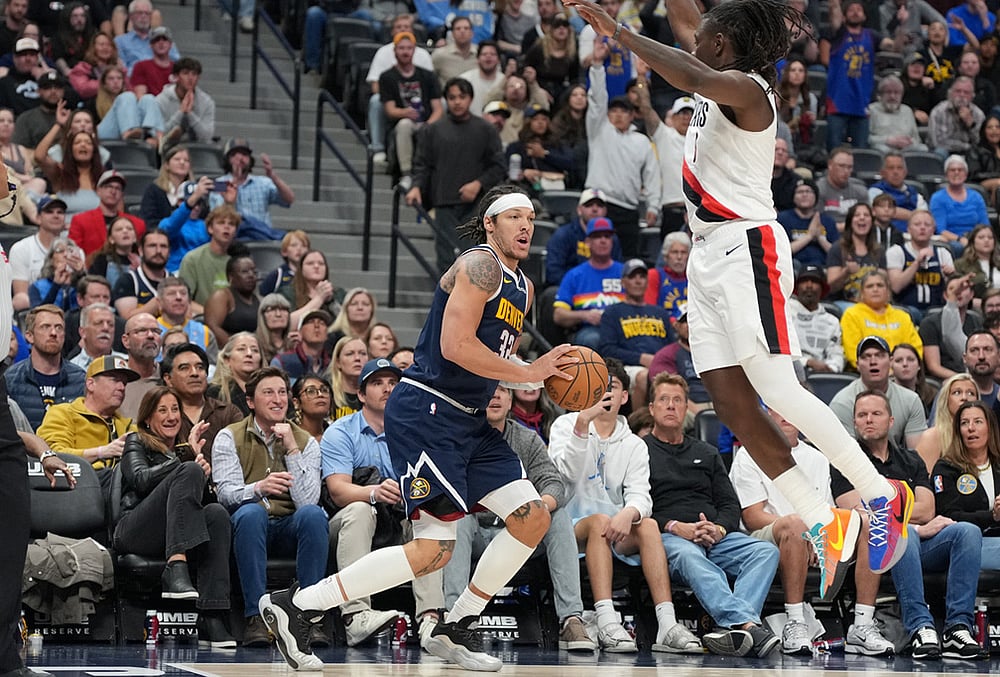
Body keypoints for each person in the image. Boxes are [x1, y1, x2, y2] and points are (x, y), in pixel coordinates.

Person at [565, 0, 913, 603]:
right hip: (706, 256)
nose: (693, 40)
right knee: (729, 402)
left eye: (704, 37)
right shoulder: (714, 73)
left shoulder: (749, 92)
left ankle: (879, 493)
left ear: (724, 45)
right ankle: (824, 519)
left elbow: (689, 69)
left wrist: (619, 32)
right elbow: (682, 26)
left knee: (778, 389)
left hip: (747, 244)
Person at [259, 185, 577, 672]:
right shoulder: (481, 265)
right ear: (490, 224)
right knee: (433, 550)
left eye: (530, 218)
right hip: (429, 412)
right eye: (513, 216)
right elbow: (455, 346)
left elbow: (495, 352)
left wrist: (536, 365)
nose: (525, 226)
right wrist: (532, 373)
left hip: (468, 421)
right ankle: (299, 605)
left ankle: (456, 626)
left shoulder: (524, 286)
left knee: (533, 515)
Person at [549, 363, 703, 654]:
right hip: (568, 526)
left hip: (613, 527)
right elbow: (563, 477)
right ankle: (607, 622)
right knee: (597, 523)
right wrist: (582, 426)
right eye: (599, 385)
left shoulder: (634, 444)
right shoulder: (565, 425)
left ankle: (667, 625)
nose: (606, 392)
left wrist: (628, 513)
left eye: (613, 386)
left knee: (647, 524)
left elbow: (641, 497)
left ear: (624, 397)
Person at [835, 390, 987, 660]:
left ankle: (957, 628)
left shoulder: (911, 459)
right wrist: (911, 525)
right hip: (873, 550)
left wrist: (898, 517)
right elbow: (857, 512)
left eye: (876, 414)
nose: (869, 419)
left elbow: (927, 509)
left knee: (967, 532)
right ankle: (921, 626)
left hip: (916, 546)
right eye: (862, 415)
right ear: (855, 423)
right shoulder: (845, 462)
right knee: (903, 531)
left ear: (891, 421)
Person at [730, 406, 892, 656]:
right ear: (766, 415)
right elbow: (752, 517)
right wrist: (806, 533)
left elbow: (825, 513)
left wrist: (816, 538)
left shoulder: (816, 458)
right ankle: (795, 623)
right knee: (794, 525)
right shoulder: (748, 454)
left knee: (867, 523)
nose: (785, 414)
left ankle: (862, 625)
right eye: (777, 408)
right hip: (763, 540)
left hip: (812, 536)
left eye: (788, 407)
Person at [639, 373, 781, 657]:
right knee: (690, 556)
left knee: (765, 552)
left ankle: (733, 630)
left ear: (686, 408)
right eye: (664, 400)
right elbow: (637, 503)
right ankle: (746, 624)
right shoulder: (639, 449)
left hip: (713, 536)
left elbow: (729, 504)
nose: (671, 406)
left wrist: (718, 529)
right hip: (667, 536)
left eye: (678, 400)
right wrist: (676, 526)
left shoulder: (706, 451)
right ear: (652, 408)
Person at [448, 383, 596, 652]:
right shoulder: (460, 438)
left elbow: (553, 483)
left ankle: (571, 619)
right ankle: (457, 619)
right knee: (456, 518)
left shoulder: (527, 440)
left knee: (557, 516)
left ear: (510, 399)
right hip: (478, 531)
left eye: (502, 390)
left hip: (519, 532)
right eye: (489, 390)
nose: (495, 395)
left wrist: (536, 507)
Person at [321, 358, 440, 648]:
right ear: (361, 394)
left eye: (393, 383)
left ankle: (431, 618)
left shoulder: (415, 432)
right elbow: (337, 491)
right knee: (361, 510)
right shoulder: (341, 431)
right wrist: (374, 492)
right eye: (377, 383)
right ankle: (356, 615)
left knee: (430, 516)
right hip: (346, 525)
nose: (387, 389)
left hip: (397, 519)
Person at [212, 366, 329, 649]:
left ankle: (309, 617)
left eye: (282, 393)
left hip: (290, 526)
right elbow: (226, 495)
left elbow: (308, 501)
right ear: (251, 402)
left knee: (314, 515)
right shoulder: (229, 436)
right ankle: (256, 617)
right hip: (250, 528)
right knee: (251, 513)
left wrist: (291, 448)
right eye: (268, 393)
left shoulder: (305, 442)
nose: (278, 400)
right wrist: (259, 488)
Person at [114, 386, 236, 647]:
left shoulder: (184, 453)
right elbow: (140, 480)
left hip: (172, 531)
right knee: (190, 469)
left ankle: (212, 615)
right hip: (135, 530)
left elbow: (200, 508)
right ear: (148, 418)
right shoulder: (136, 440)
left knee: (216, 513)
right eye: (162, 410)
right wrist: (184, 460)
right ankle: (175, 566)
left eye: (175, 409)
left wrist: (203, 479)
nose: (171, 416)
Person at [404, 77, 505, 276]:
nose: (457, 102)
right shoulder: (433, 130)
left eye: (462, 97)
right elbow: (422, 164)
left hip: (476, 205)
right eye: (452, 97)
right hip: (443, 204)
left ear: (470, 99)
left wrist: (478, 184)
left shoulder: (486, 130)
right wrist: (416, 186)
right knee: (446, 262)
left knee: (473, 261)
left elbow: (498, 167)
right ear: (446, 100)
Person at [584, 38, 659, 259]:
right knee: (594, 258)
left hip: (629, 208)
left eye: (623, 111)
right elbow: (597, 100)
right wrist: (597, 66)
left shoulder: (642, 141)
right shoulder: (600, 129)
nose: (617, 114)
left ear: (631, 115)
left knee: (629, 261)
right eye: (613, 111)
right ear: (608, 115)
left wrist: (653, 206)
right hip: (600, 203)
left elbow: (652, 175)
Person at [36, 355, 138, 486]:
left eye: (124, 383)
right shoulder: (63, 413)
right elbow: (54, 455)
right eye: (114, 380)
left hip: (120, 493)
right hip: (78, 488)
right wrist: (102, 452)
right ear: (91, 384)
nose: (122, 387)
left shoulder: (128, 426)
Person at [932, 400, 1000, 570]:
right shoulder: (946, 468)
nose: (971, 428)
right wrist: (993, 516)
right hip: (965, 545)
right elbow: (949, 516)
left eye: (978, 422)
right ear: (958, 431)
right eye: (964, 423)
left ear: (990, 428)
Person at [830, 335, 928, 449]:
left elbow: (917, 455)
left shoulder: (911, 400)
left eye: (879, 355)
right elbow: (845, 455)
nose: (873, 361)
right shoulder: (842, 403)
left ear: (890, 361)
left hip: (899, 465)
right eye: (866, 357)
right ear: (857, 365)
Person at [598, 258, 673, 405]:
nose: (638, 281)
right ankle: (640, 422)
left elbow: (672, 347)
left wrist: (660, 361)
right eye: (632, 277)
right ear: (623, 282)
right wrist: (641, 358)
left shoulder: (660, 313)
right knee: (643, 376)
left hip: (661, 364)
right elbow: (607, 349)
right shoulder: (613, 312)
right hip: (629, 367)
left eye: (642, 276)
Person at [4, 304, 86, 431]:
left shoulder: (80, 378)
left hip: (69, 449)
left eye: (59, 328)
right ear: (29, 336)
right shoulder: (10, 379)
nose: (53, 333)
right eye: (45, 327)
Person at [820, 0, 888, 149]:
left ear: (864, 16)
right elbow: (835, 13)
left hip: (861, 104)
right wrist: (835, 4)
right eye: (851, 10)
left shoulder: (872, 36)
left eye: (859, 9)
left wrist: (902, 26)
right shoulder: (839, 33)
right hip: (838, 102)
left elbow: (894, 46)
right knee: (834, 150)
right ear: (844, 16)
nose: (856, 12)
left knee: (861, 153)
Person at [160, 342, 243, 460]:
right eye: (184, 368)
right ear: (168, 379)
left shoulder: (228, 413)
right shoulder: (161, 416)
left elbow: (244, 454)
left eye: (200, 367)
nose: (194, 373)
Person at [553, 217, 625, 349]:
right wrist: (585, 315)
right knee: (592, 339)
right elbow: (559, 315)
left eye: (607, 236)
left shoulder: (626, 272)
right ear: (587, 242)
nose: (603, 240)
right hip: (591, 330)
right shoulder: (574, 275)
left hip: (625, 329)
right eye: (597, 236)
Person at [208, 137, 293, 239]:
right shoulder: (219, 184)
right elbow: (217, 219)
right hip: (233, 239)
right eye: (234, 154)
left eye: (244, 154)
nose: (240, 158)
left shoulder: (263, 182)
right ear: (228, 159)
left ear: (250, 159)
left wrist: (272, 176)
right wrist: (229, 203)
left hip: (262, 238)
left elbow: (289, 199)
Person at [840, 270, 923, 367]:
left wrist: (900, 369)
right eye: (870, 286)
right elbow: (853, 352)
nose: (875, 289)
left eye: (880, 285)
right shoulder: (852, 314)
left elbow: (915, 349)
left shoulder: (902, 316)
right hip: (868, 374)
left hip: (902, 373)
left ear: (888, 291)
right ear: (862, 292)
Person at [886, 210, 955, 318]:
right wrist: (917, 263)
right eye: (917, 224)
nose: (922, 228)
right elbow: (896, 286)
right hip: (906, 310)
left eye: (927, 224)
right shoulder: (896, 252)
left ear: (933, 230)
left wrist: (950, 277)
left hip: (937, 311)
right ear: (908, 229)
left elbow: (952, 292)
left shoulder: (943, 253)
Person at [9, 195, 72, 310]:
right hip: (34, 310)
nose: (56, 215)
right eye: (49, 211)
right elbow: (21, 296)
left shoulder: (74, 250)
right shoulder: (21, 249)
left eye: (60, 212)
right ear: (38, 218)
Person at [68, 170, 146, 256]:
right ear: (98, 191)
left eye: (118, 188)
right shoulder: (81, 221)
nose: (113, 191)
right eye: (108, 187)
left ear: (122, 194)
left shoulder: (137, 224)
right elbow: (73, 253)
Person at [918, 275, 982, 380]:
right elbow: (934, 366)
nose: (958, 292)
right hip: (946, 379)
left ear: (971, 295)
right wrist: (963, 379)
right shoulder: (930, 323)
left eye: (963, 289)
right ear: (946, 295)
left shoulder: (976, 321)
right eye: (953, 289)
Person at [915, 372, 979, 473]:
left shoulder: (983, 436)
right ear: (946, 400)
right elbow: (923, 481)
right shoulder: (932, 436)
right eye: (957, 392)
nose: (964, 398)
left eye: (971, 393)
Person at [826, 203, 887, 307]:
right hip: (845, 302)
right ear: (850, 222)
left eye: (866, 215)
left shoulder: (879, 251)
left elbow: (884, 282)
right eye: (857, 215)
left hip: (872, 302)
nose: (862, 218)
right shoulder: (838, 248)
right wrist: (846, 273)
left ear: (872, 222)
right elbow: (831, 287)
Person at [178, 205, 240, 306]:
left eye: (231, 224)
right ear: (210, 228)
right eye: (221, 223)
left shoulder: (240, 259)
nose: (226, 227)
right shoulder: (192, 259)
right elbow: (184, 300)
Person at [789, 265, 844, 374]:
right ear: (796, 287)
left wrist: (831, 368)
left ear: (822, 288)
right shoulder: (785, 313)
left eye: (814, 281)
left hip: (824, 374)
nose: (809, 285)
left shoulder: (832, 321)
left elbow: (836, 353)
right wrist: (807, 362)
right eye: (804, 281)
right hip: (791, 371)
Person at [930, 154, 990, 250]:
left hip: (976, 239)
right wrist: (960, 239)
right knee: (958, 247)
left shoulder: (976, 197)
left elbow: (985, 226)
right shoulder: (938, 198)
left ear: (966, 174)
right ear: (946, 174)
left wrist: (976, 240)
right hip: (952, 242)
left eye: (960, 170)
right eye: (952, 170)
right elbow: (940, 230)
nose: (956, 173)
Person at [154, 275, 218, 363]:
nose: (178, 297)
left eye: (183, 293)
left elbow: (212, 368)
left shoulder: (204, 332)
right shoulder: (150, 332)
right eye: (171, 294)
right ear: (159, 302)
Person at [778, 178, 838, 269]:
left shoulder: (827, 221)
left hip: (823, 268)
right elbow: (781, 252)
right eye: (800, 192)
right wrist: (809, 236)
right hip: (794, 268)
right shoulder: (783, 219)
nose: (804, 195)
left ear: (816, 196)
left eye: (808, 191)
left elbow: (838, 255)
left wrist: (820, 238)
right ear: (793, 197)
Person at [113, 227, 170, 320]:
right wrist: (160, 300)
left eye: (163, 246)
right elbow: (127, 319)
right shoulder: (128, 281)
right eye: (152, 246)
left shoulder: (175, 281)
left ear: (169, 252)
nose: (158, 251)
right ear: (141, 251)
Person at [156, 57, 215, 148]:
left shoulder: (207, 102)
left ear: (198, 77)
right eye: (185, 73)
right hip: (168, 147)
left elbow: (207, 137)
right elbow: (160, 135)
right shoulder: (161, 100)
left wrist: (190, 113)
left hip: (196, 148)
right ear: (176, 77)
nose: (190, 78)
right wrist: (180, 112)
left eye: (194, 74)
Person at [204, 253, 260, 346]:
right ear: (231, 276)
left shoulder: (260, 299)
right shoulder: (222, 296)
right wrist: (236, 347)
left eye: (254, 272)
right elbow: (212, 327)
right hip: (227, 351)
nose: (251, 275)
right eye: (244, 271)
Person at [867, 151, 928, 232]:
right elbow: (882, 212)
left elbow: (924, 218)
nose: (895, 172)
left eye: (899, 168)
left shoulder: (915, 194)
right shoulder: (875, 191)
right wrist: (914, 215)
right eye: (891, 168)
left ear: (905, 172)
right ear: (882, 173)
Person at [868, 74, 928, 155]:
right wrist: (888, 140)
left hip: (906, 148)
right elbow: (867, 138)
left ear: (901, 95)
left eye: (896, 93)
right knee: (884, 151)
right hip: (883, 146)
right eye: (888, 92)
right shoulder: (872, 110)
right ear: (880, 95)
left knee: (923, 149)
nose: (892, 96)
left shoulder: (907, 110)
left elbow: (917, 139)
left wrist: (908, 141)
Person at [118, 311, 162, 421]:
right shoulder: (114, 380)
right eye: (142, 331)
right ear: (126, 340)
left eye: (156, 331)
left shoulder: (170, 377)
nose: (151, 336)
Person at [114, 0, 179, 73]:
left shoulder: (165, 41)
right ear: (131, 16)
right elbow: (121, 70)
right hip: (133, 80)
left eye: (147, 13)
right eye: (139, 13)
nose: (143, 16)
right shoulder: (120, 41)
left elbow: (177, 64)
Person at [271, 309, 333, 384]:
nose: (317, 326)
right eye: (310, 322)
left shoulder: (332, 365)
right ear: (300, 331)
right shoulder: (282, 362)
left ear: (327, 334)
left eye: (322, 323)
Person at [207, 332, 262, 417]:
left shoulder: (273, 391)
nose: (249, 354)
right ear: (227, 360)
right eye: (241, 349)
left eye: (255, 350)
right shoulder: (214, 392)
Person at [815, 148, 870, 230]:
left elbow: (867, 221)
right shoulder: (818, 190)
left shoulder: (860, 190)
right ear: (830, 165)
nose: (846, 171)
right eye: (841, 166)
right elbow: (816, 224)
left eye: (849, 167)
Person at [139, 144, 192, 229]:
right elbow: (148, 221)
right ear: (167, 165)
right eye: (177, 159)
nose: (182, 162)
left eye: (186, 160)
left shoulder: (194, 190)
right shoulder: (154, 190)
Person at [928, 77, 984, 158]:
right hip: (946, 153)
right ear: (950, 93)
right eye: (958, 91)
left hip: (969, 155)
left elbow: (980, 143)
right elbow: (936, 143)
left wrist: (971, 125)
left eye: (966, 92)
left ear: (972, 96)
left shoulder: (978, 114)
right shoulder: (938, 111)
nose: (962, 95)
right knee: (940, 152)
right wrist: (966, 146)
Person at [67, 302, 125, 370]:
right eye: (98, 323)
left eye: (111, 324)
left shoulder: (127, 363)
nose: (106, 328)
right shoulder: (71, 368)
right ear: (83, 332)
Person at [86, 216, 139, 289]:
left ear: (135, 238)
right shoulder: (102, 260)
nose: (125, 231)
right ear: (111, 239)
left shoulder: (143, 261)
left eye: (129, 229)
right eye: (119, 229)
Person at [644, 232, 689, 317]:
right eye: (675, 252)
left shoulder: (695, 278)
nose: (679, 257)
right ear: (665, 256)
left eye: (683, 252)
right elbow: (650, 310)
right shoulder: (654, 275)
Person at [954, 223, 1000, 300]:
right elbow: (957, 292)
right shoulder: (960, 264)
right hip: (975, 306)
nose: (986, 240)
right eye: (981, 237)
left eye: (990, 237)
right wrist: (972, 302)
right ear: (973, 242)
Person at [259, 230, 310, 297]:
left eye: (304, 246)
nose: (299, 249)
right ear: (284, 252)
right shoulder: (277, 275)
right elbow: (263, 293)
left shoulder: (312, 274)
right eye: (294, 245)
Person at [327, 336, 368, 421]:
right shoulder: (327, 394)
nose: (357, 358)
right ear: (338, 362)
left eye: (362, 353)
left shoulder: (374, 395)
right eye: (350, 354)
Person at [256, 293, 296, 366]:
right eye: (271, 310)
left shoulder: (295, 343)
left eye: (283, 309)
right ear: (262, 315)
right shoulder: (255, 344)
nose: (278, 314)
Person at [290, 375, 331, 443]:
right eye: (311, 391)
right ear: (296, 402)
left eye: (324, 390)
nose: (320, 394)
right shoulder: (288, 434)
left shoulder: (336, 432)